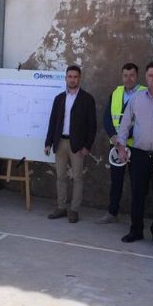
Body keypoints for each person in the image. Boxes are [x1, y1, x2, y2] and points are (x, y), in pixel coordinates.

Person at [115, 61, 153, 247]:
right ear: (146, 78)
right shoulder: (137, 98)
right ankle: (136, 230)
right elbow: (125, 125)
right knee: (138, 195)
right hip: (139, 154)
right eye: (151, 75)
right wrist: (121, 147)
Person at [44, 65, 97, 223]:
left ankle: (74, 210)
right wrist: (48, 143)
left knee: (77, 177)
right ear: (66, 78)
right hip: (60, 142)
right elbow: (53, 121)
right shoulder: (59, 98)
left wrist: (87, 146)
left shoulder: (87, 99)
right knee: (60, 176)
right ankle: (61, 207)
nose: (72, 79)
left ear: (79, 79)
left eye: (75, 77)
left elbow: (92, 125)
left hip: (77, 145)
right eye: (70, 76)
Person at [97, 62, 146, 224]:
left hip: (136, 146)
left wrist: (122, 140)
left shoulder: (144, 93)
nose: (128, 78)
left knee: (137, 183)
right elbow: (107, 117)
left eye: (132, 75)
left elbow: (143, 122)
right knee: (116, 180)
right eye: (125, 75)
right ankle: (112, 213)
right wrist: (114, 137)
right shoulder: (116, 92)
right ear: (122, 76)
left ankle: (136, 218)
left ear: (137, 76)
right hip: (116, 145)